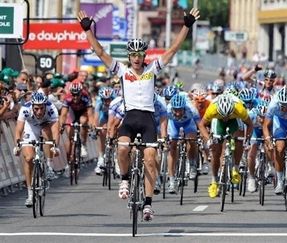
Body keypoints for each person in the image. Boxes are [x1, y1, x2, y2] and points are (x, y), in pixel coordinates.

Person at [77, 7, 200, 221]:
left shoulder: (152, 69)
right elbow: (100, 52)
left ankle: (148, 204)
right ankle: (124, 178)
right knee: (123, 150)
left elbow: (172, 50)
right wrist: (88, 30)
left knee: (150, 160)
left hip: (147, 120)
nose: (136, 58)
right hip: (130, 118)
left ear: (144, 56)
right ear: (129, 56)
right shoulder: (122, 71)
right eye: (133, 54)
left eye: (139, 54)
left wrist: (186, 26)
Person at [198, 93, 253, 199]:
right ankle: (214, 180)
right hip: (218, 121)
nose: (225, 118)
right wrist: (209, 140)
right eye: (223, 115)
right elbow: (201, 125)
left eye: (227, 115)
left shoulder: (239, 109)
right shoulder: (212, 109)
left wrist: (247, 139)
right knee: (215, 150)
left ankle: (236, 168)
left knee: (239, 140)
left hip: (235, 119)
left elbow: (249, 125)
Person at [13, 92, 60, 207]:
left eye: (41, 108)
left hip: (46, 125)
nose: (39, 111)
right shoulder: (25, 109)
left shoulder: (51, 108)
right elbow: (18, 130)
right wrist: (18, 145)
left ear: (45, 106)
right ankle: (30, 194)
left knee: (46, 132)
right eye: (36, 109)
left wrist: (55, 146)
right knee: (29, 158)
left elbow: (55, 130)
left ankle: (49, 165)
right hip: (31, 127)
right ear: (32, 106)